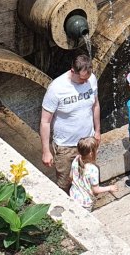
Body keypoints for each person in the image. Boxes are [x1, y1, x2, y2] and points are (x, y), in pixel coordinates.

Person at [40, 54, 100, 190]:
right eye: (82, 79)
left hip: (88, 143)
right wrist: (46, 151)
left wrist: (97, 131)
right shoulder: (56, 88)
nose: (85, 82)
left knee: (89, 179)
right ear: (73, 71)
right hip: (65, 147)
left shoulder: (91, 79)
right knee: (65, 184)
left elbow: (95, 105)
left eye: (88, 78)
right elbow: (45, 122)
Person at [68, 136, 116, 210]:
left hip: (73, 195)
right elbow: (96, 190)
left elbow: (71, 177)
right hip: (85, 202)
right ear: (91, 153)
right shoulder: (93, 169)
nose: (98, 151)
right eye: (96, 149)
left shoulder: (76, 159)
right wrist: (109, 188)